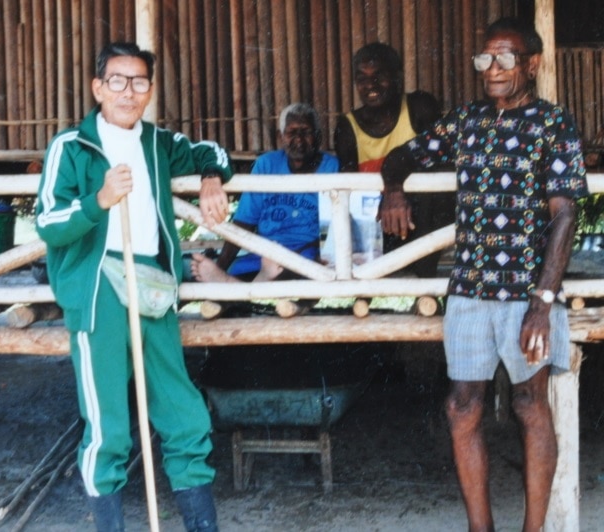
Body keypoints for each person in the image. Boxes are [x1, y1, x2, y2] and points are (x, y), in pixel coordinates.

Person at [379, 18, 588, 531]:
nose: (491, 69)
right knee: (461, 407)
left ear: (532, 64)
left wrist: (542, 302)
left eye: (504, 59)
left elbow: (565, 214)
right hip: (470, 288)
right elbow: (400, 155)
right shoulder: (468, 120)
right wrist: (394, 189)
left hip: (526, 292)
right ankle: (481, 528)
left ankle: (533, 529)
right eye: (484, 60)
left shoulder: (553, 125)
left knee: (529, 405)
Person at [35, 42, 231, 531]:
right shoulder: (72, 147)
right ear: (98, 88)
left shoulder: (158, 143)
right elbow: (48, 222)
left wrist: (210, 178)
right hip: (97, 287)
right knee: (109, 428)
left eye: (139, 81)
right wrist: (98, 199)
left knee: (183, 413)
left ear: (149, 90)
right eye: (117, 81)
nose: (128, 91)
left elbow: (216, 151)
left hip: (153, 283)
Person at [190, 102, 339, 318]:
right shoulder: (266, 164)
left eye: (305, 132)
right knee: (256, 267)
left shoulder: (331, 167)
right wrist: (222, 265)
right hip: (264, 254)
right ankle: (240, 281)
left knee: (308, 271)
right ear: (280, 137)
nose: (298, 139)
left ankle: (232, 291)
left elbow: (336, 222)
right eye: (291, 133)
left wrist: (326, 255)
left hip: (308, 255)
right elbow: (244, 222)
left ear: (318, 136)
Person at [333, 42, 453, 276]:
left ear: (398, 77)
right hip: (379, 229)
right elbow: (352, 192)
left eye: (379, 76)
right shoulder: (347, 127)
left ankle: (424, 285)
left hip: (422, 225)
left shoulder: (420, 107)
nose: (370, 85)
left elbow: (438, 164)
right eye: (362, 78)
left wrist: (396, 193)